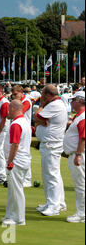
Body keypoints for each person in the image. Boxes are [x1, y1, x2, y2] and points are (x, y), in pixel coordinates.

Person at [34, 84, 68, 216]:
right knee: (53, 175)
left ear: (48, 95)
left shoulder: (54, 105)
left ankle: (54, 206)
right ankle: (55, 202)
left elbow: (37, 117)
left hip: (51, 144)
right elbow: (40, 119)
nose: (41, 97)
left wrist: (41, 107)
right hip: (50, 143)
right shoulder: (55, 104)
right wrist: (41, 120)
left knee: (51, 175)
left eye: (43, 95)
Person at [2, 100, 32, 226]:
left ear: (13, 109)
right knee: (14, 189)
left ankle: (19, 218)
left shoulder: (16, 124)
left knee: (16, 190)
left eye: (9, 109)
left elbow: (15, 144)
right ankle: (11, 215)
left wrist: (10, 161)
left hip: (17, 160)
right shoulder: (24, 122)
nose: (8, 112)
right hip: (22, 159)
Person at [63, 91, 85, 223]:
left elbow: (83, 138)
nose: (71, 102)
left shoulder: (82, 118)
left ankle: (82, 213)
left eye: (74, 100)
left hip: (79, 154)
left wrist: (78, 155)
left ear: (80, 101)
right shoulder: (79, 116)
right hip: (78, 153)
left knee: (80, 184)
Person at [11, 85, 33, 187]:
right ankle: (23, 177)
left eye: (16, 94)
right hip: (21, 127)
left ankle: (27, 179)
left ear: (21, 92)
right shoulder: (21, 101)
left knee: (25, 152)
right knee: (20, 151)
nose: (14, 96)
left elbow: (20, 111)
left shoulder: (26, 101)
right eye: (13, 94)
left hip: (24, 128)